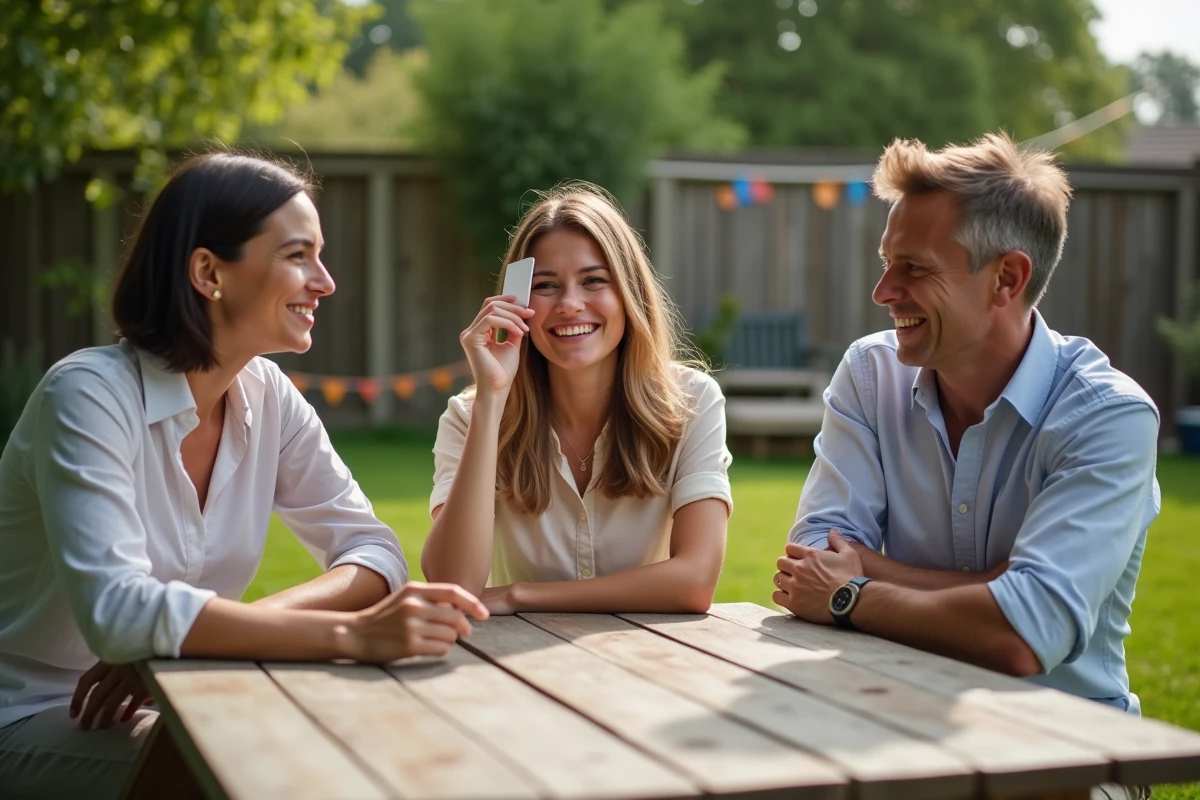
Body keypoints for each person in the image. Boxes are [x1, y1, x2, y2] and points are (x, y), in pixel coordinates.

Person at [0, 152, 487, 799]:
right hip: (31, 713)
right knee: (269, 769)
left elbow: (376, 553)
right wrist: (348, 634)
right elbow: (118, 613)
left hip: (180, 691)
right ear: (208, 272)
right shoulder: (87, 396)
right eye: (298, 255)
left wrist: (196, 641)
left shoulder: (267, 395)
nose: (326, 281)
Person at [774, 133, 1157, 798]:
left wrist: (853, 591)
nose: (882, 291)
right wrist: (989, 587)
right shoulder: (871, 373)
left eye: (914, 269)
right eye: (886, 263)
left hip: (1065, 756)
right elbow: (811, 559)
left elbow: (1020, 637)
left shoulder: (1109, 417)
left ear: (1005, 278)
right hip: (894, 725)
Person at [421, 183, 732, 614]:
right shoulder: (470, 416)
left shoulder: (692, 401)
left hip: (650, 659)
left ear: (630, 294)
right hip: (512, 668)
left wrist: (519, 594)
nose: (570, 304)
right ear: (516, 302)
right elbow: (452, 584)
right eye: (546, 286)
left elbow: (695, 581)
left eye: (593, 281)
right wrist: (492, 399)